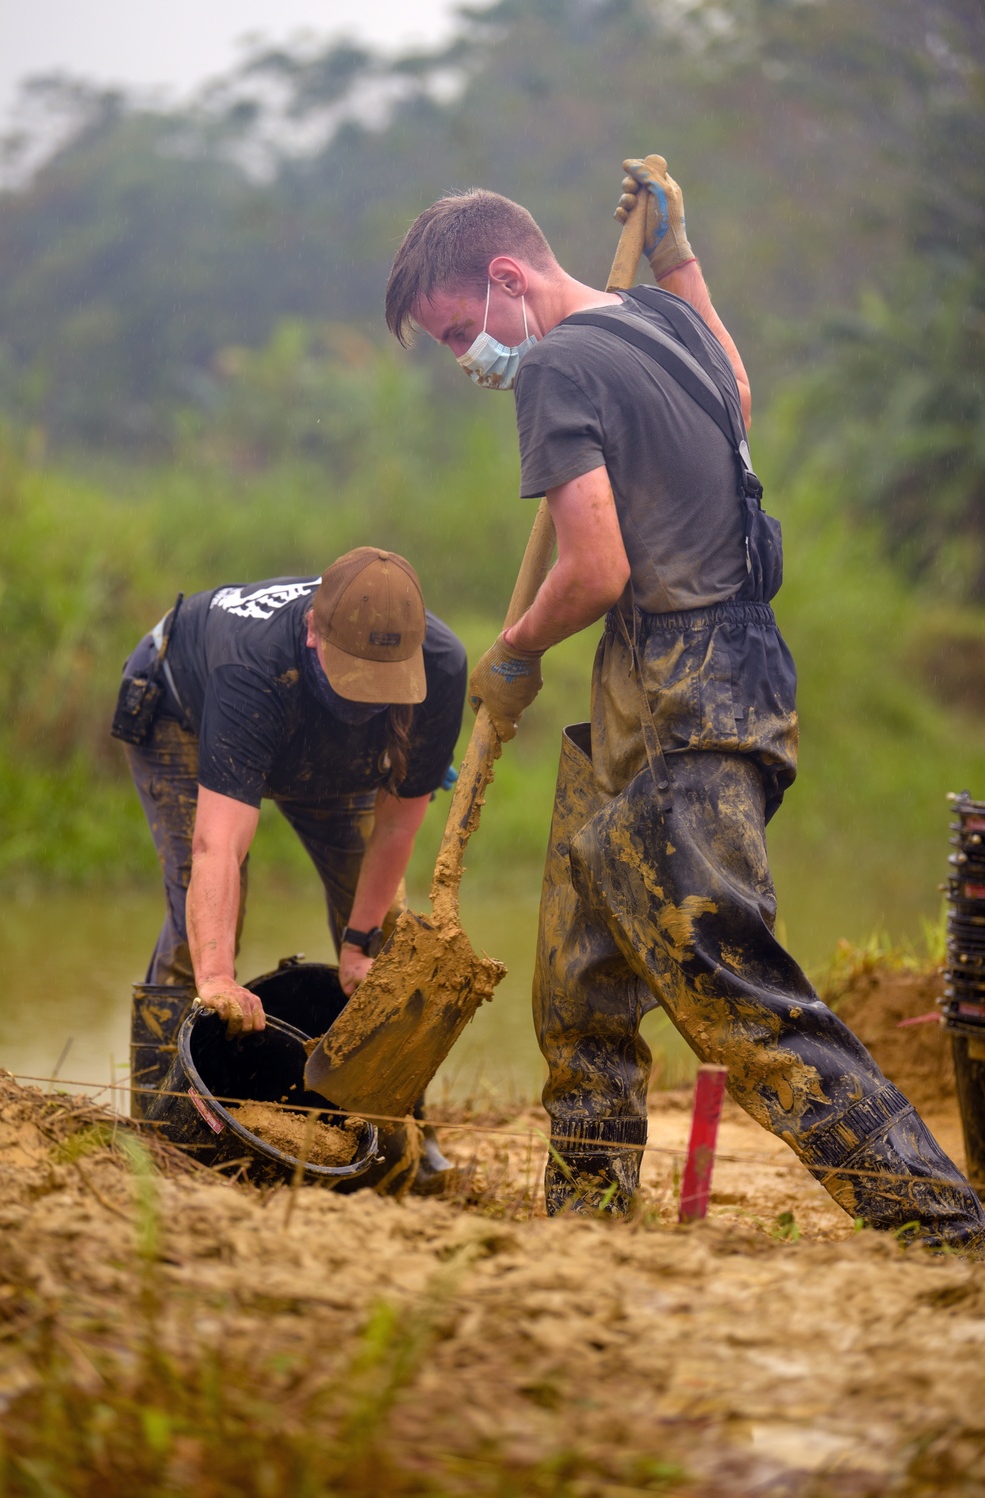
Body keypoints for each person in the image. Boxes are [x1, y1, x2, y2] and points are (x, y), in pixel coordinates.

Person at [383, 158, 985, 1252]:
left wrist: (514, 650)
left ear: (507, 277)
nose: (464, 355)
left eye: (455, 329)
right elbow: (737, 396)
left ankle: (942, 1223)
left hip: (689, 685)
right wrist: (677, 251)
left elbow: (597, 564)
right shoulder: (661, 316)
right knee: (580, 984)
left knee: (729, 983)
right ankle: (589, 1223)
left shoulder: (555, 369)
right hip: (672, 675)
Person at [114, 547, 466, 1028]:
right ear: (312, 631)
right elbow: (216, 847)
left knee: (386, 930)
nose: (367, 696)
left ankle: (386, 1100)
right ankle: (163, 1097)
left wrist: (357, 941)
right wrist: (216, 977)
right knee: (196, 935)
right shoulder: (251, 668)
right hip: (184, 711)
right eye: (354, 676)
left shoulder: (441, 667)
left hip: (319, 737)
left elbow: (396, 827)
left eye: (382, 683)